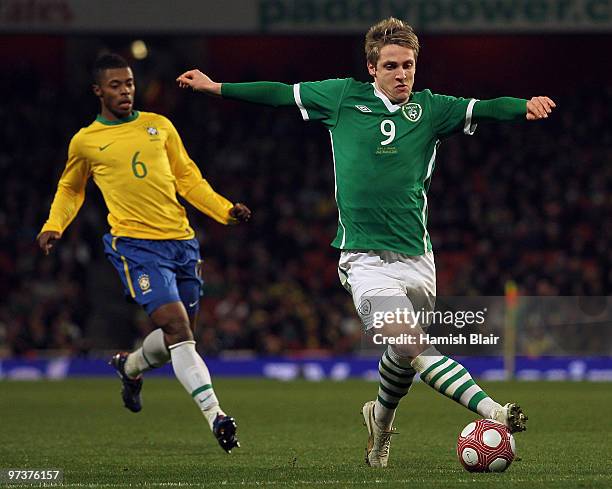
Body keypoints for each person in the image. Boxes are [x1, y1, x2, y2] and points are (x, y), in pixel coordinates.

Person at [177, 17, 557, 467]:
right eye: (392, 66)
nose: (402, 75)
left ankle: (379, 419)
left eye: (409, 66)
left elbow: (486, 107)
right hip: (364, 258)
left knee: (402, 355)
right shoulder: (342, 97)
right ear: (372, 68)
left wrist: (523, 105)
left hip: (417, 259)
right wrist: (216, 86)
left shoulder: (432, 109)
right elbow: (280, 93)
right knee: (411, 342)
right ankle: (494, 410)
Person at [38, 53, 250, 454]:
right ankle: (216, 416)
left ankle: (130, 366)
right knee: (179, 329)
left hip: (182, 242)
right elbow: (71, 189)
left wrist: (225, 210)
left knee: (177, 334)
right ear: (98, 91)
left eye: (130, 83)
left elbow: (188, 178)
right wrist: (54, 225)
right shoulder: (86, 141)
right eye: (116, 85)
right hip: (136, 246)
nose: (125, 91)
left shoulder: (160, 126)